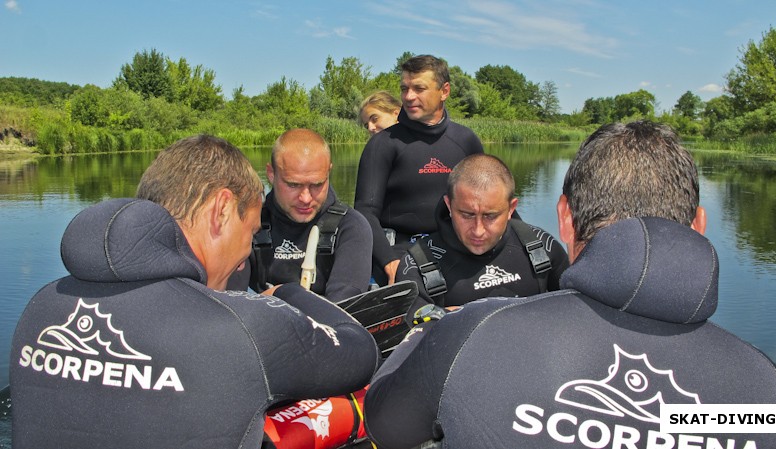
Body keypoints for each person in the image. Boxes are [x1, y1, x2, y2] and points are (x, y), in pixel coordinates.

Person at [363, 121, 776, 449]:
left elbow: (388, 424)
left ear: (564, 217)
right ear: (699, 225)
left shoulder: (473, 335)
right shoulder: (763, 390)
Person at [10, 135, 380, 449]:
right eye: (249, 234)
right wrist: (287, 293)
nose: (245, 257)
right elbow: (360, 352)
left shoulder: (40, 309)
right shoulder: (240, 328)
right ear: (221, 210)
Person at [355, 54, 484, 286]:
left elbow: (493, 202)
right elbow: (365, 212)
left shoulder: (466, 141)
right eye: (404, 88)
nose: (409, 96)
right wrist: (388, 260)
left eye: (419, 88)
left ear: (444, 91)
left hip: (455, 250)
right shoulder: (383, 144)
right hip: (400, 254)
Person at [396, 154, 568, 323]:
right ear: (449, 205)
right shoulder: (417, 265)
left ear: (511, 208)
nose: (478, 231)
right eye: (467, 215)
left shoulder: (541, 247)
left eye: (490, 216)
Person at [227, 128, 373, 302]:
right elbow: (230, 300)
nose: (306, 198)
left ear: (328, 172)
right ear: (271, 174)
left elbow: (343, 310)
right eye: (293, 185)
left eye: (317, 185)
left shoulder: (351, 227)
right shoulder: (250, 224)